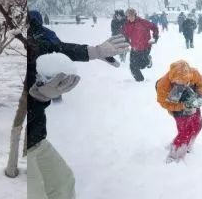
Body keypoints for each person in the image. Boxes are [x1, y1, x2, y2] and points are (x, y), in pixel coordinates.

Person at [27, 10, 129, 199]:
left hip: (36, 137)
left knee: (62, 183)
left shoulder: (35, 30)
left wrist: (94, 51)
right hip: (25, 140)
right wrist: (36, 96)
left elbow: (55, 50)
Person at [156, 59, 202, 162]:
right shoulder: (163, 85)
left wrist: (199, 96)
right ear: (172, 79)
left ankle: (187, 145)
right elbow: (164, 103)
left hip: (192, 101)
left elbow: (201, 83)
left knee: (197, 124)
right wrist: (182, 106)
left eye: (185, 82)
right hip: (176, 106)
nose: (182, 84)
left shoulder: (194, 73)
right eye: (179, 82)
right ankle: (174, 155)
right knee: (185, 131)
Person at [122, 8, 159, 82]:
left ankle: (148, 60)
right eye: (128, 16)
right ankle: (140, 80)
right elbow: (125, 34)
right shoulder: (126, 25)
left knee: (142, 65)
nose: (130, 18)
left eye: (132, 16)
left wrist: (155, 37)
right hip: (134, 48)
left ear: (135, 15)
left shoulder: (143, 22)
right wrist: (126, 40)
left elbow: (154, 27)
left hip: (145, 47)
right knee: (132, 66)